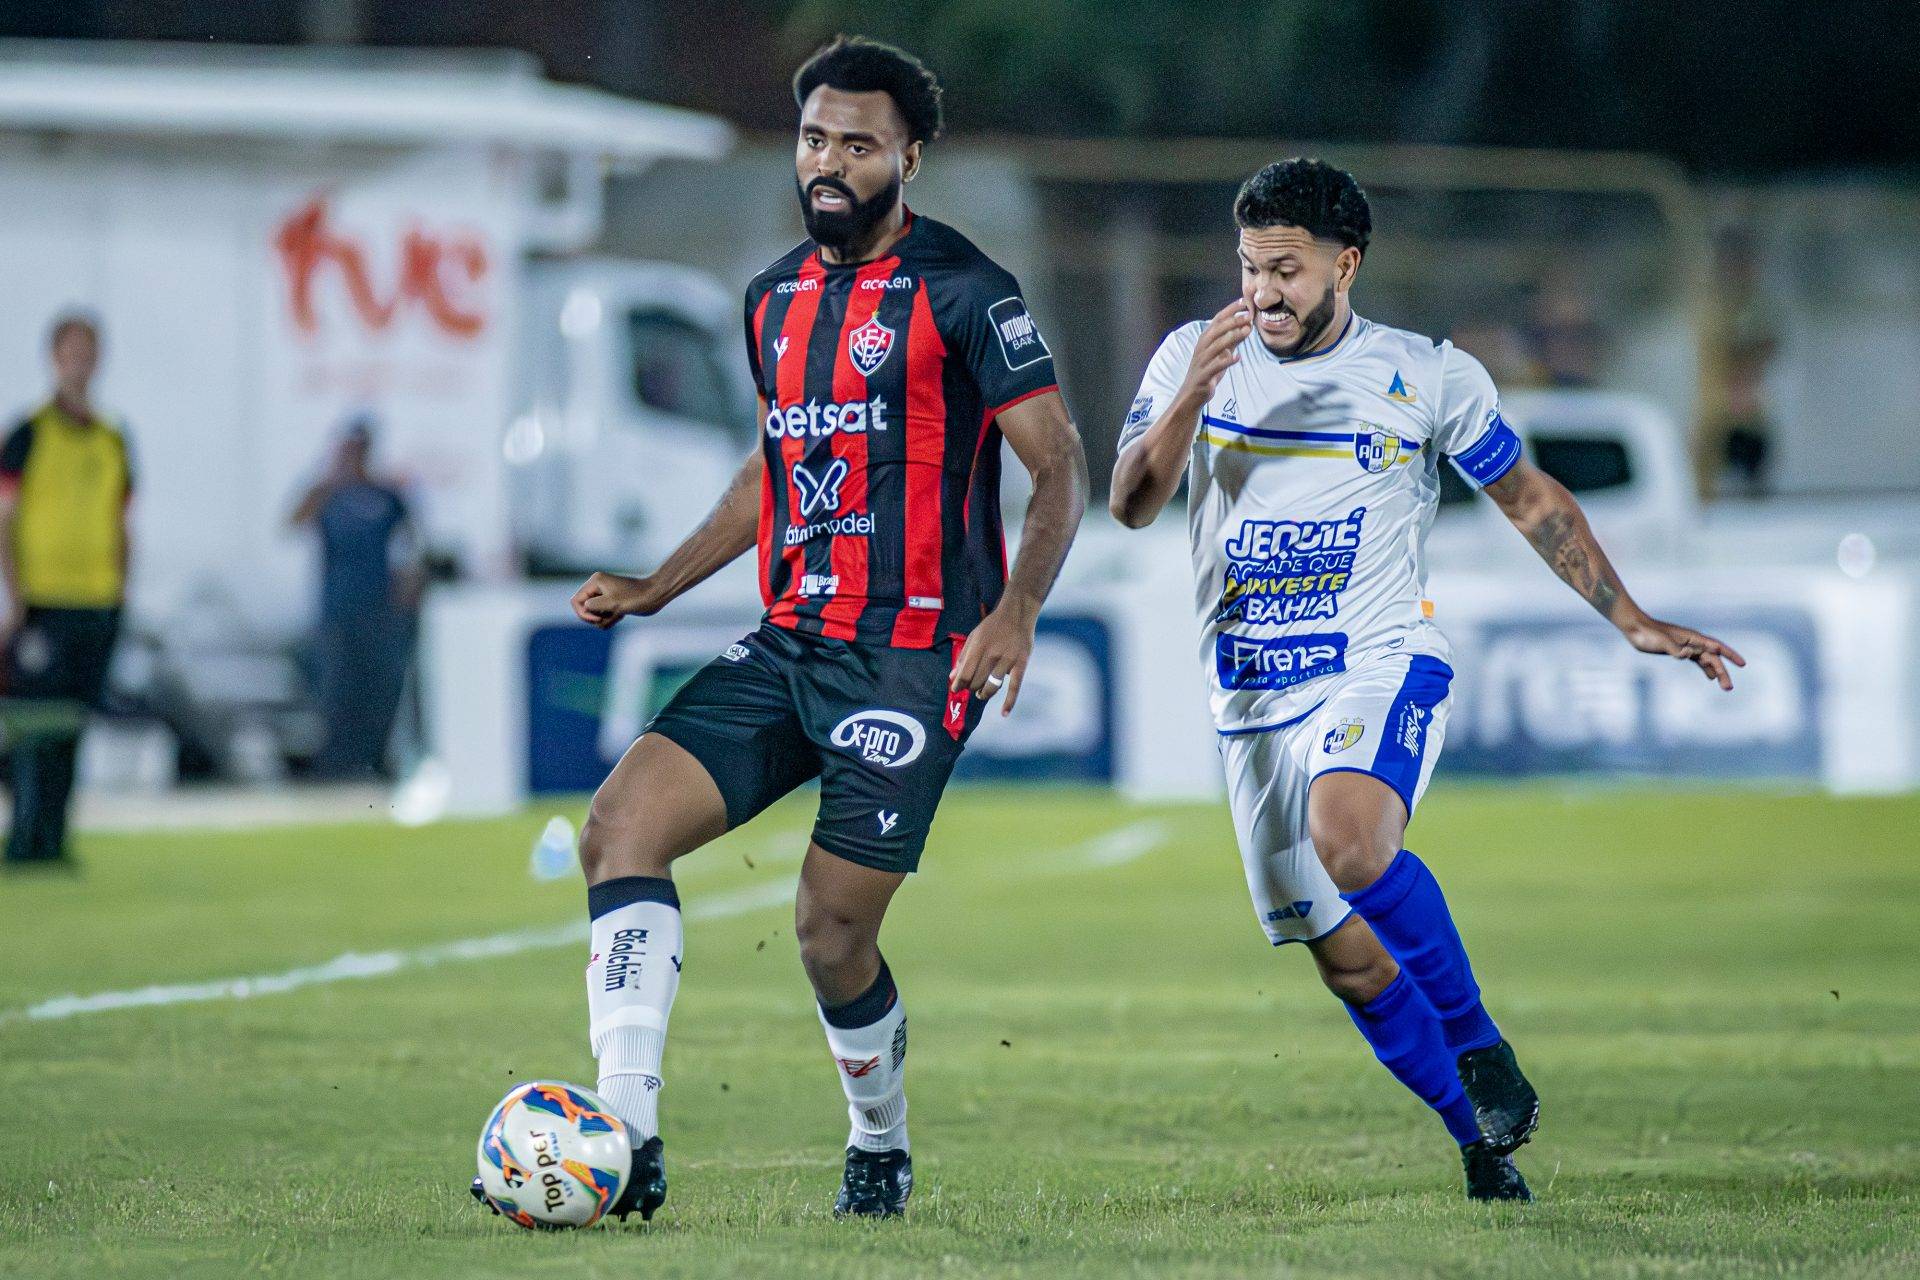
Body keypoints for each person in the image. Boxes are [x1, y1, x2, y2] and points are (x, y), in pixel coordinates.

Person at [472, 36, 1086, 1222]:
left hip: (914, 655)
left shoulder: (967, 292)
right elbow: (773, 471)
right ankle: (629, 1133)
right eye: (815, 139)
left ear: (908, 156)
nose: (829, 163)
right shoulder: (771, 301)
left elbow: (1057, 466)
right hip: (793, 639)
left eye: (858, 144)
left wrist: (1016, 611)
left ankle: (879, 1135)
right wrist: (658, 583)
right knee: (619, 829)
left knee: (827, 930)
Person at [1109, 160, 1745, 1201]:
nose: (1262, 291)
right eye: (1249, 268)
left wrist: (1628, 617)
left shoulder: (1427, 374)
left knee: (1350, 836)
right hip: (1253, 699)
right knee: (1348, 961)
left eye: (1286, 270)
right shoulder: (1195, 357)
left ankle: (1479, 1040)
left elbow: (1529, 496)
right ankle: (1477, 1137)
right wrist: (1188, 396)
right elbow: (1135, 502)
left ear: (1345, 264)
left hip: (1380, 656)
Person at [0, 313, 135, 869]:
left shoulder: (112, 437)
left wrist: (123, 586)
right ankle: (23, 834)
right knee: (32, 722)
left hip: (97, 600)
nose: (80, 361)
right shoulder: (28, 432)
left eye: (89, 351)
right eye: (71, 351)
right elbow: (6, 518)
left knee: (73, 722)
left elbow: (123, 521)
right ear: (54, 357)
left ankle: (54, 838)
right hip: (44, 600)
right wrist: (15, 595)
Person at [289, 419, 419, 780]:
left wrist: (407, 587)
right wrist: (327, 481)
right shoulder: (328, 492)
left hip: (378, 610)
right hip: (337, 610)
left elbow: (411, 544)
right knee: (335, 690)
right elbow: (293, 522)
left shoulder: (385, 495)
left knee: (376, 689)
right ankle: (334, 763)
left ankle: (372, 759)